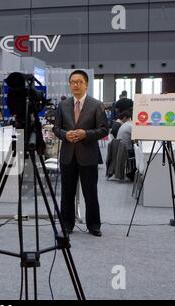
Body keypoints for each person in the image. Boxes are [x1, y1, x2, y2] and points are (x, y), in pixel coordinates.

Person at [53, 70, 109, 237]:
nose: (75, 85)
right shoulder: (63, 105)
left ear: (86, 84)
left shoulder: (96, 104)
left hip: (88, 155)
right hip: (68, 155)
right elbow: (56, 128)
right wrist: (65, 135)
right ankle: (67, 224)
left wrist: (86, 134)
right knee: (67, 192)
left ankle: (94, 225)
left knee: (90, 192)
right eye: (72, 82)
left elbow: (104, 129)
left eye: (79, 82)